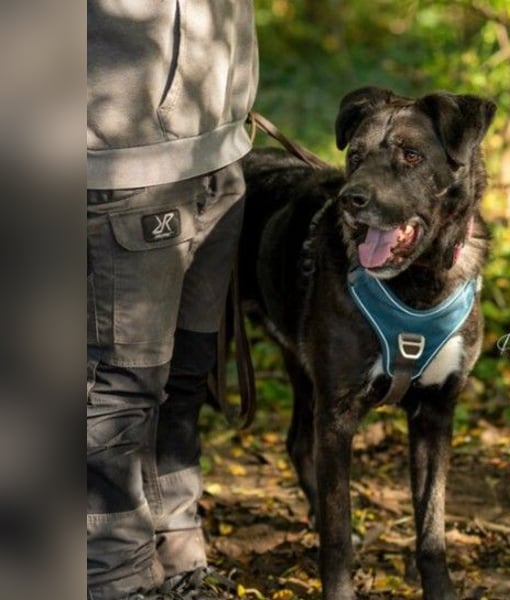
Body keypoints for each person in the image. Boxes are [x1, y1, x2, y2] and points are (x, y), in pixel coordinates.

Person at [87, 2, 259, 598]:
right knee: (118, 388)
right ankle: (114, 581)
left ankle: (178, 561)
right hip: (116, 163)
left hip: (221, 150)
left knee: (185, 375)